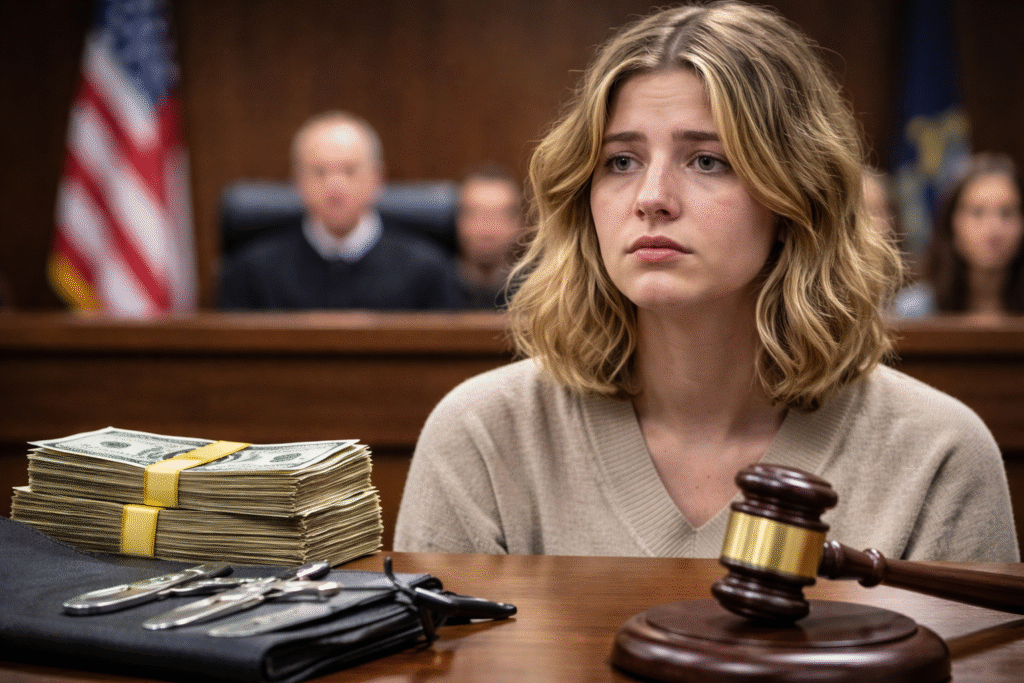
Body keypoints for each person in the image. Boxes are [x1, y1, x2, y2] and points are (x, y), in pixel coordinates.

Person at [394, 1, 1018, 562]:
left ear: (797, 195)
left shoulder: (940, 455)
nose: (652, 197)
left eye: (707, 160)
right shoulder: (481, 436)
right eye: (620, 161)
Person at [218, 111, 465, 310]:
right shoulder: (251, 272)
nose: (335, 187)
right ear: (297, 182)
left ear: (377, 179)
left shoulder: (428, 270)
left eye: (349, 171)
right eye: (319, 172)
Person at [895, 152, 1024, 318]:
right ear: (952, 224)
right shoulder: (914, 311)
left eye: (1006, 213)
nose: (994, 229)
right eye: (977, 213)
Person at [454, 164, 524, 308]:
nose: (487, 231)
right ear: (457, 219)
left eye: (498, 217)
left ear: (520, 222)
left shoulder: (539, 290)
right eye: (475, 215)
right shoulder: (427, 287)